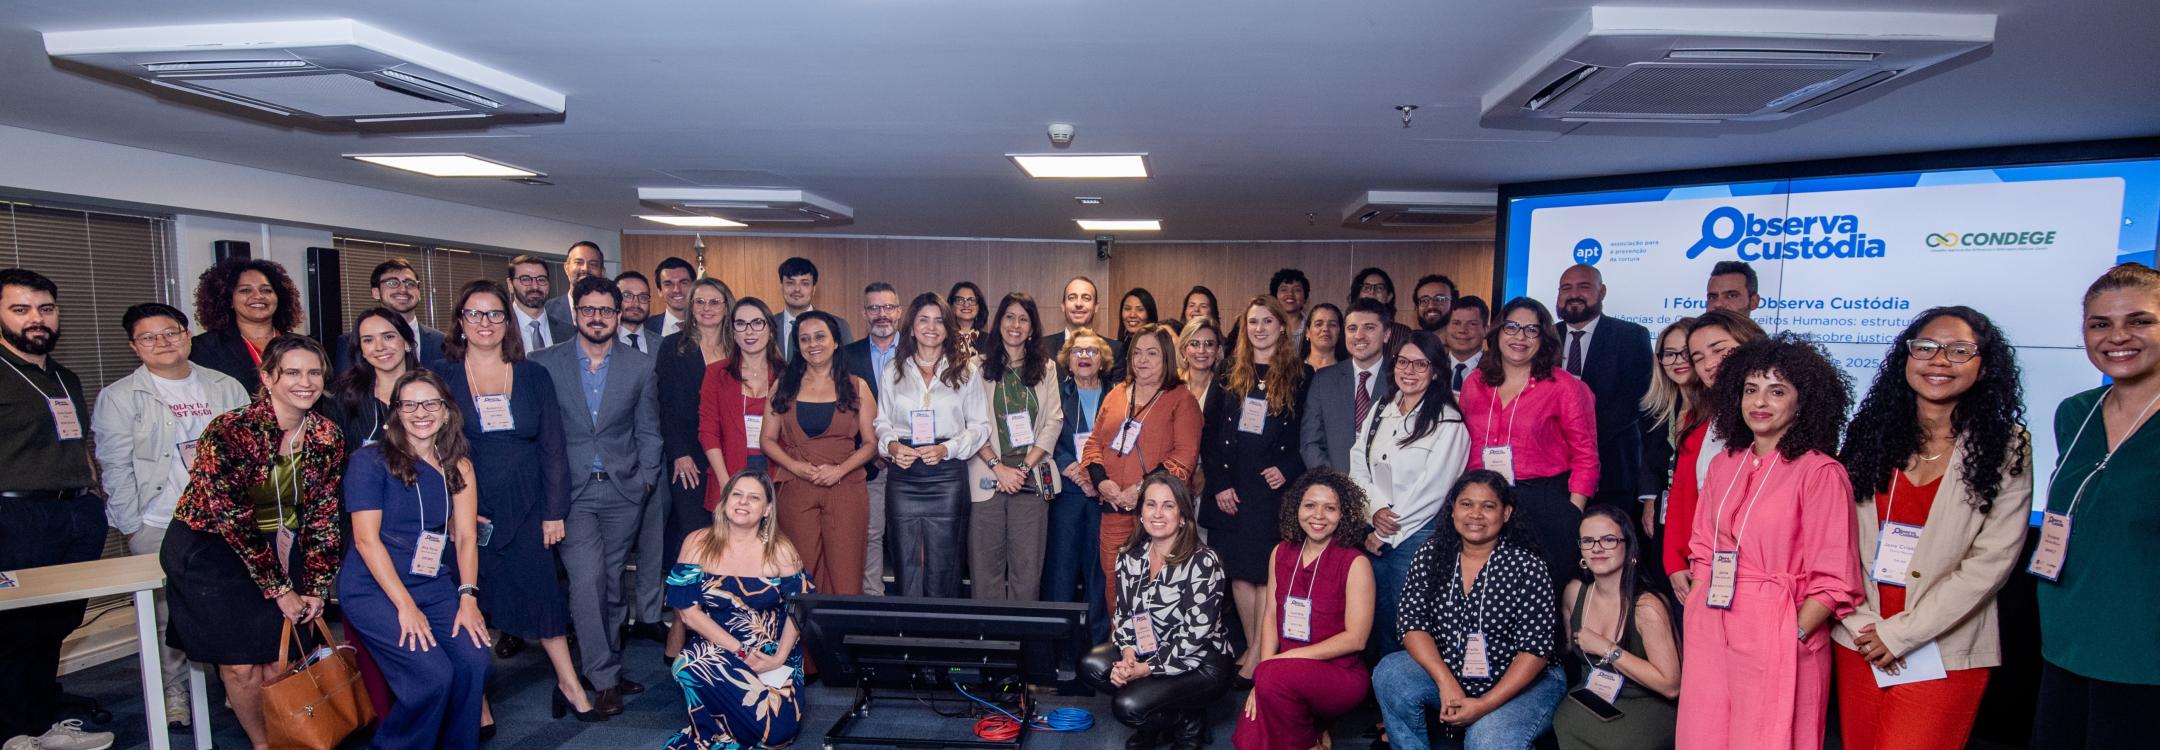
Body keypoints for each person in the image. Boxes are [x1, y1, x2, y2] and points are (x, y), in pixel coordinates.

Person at [1832, 306, 2032, 750]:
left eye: (1959, 350)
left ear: (1984, 366)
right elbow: (1833, 540)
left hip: (1944, 646)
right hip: (1860, 637)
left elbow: (1992, 561)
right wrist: (1860, 623)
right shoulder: (1869, 435)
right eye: (1925, 347)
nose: (1939, 360)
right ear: (1906, 357)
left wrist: (1900, 633)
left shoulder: (2007, 446)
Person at [1675, 333, 1861, 750]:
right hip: (1713, 624)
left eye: (1777, 391)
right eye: (1750, 389)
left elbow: (1834, 579)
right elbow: (1702, 547)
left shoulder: (1821, 472)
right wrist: (1699, 609)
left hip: (1779, 625)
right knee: (1704, 736)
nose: (1759, 402)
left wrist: (1793, 633)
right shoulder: (1723, 464)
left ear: (1802, 401)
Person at [161, 336, 345, 750]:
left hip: (280, 545)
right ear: (267, 377)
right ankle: (263, 744)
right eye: (292, 372)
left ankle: (286, 738)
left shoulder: (326, 435)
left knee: (280, 660)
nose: (305, 382)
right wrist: (280, 590)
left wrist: (317, 586)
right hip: (213, 552)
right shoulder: (230, 430)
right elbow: (233, 519)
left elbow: (324, 515)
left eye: (314, 372)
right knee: (241, 667)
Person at [436, 280, 596, 719]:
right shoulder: (442, 377)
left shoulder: (532, 375)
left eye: (494, 314)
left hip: (527, 504)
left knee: (542, 593)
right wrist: (449, 511)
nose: (484, 322)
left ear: (507, 322)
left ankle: (569, 683)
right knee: (468, 596)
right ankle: (478, 696)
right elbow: (431, 447)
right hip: (467, 503)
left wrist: (554, 511)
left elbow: (553, 447)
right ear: (461, 321)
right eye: (474, 314)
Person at [91, 302, 250, 728]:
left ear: (187, 335)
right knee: (167, 616)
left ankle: (235, 684)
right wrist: (133, 527)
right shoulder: (120, 397)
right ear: (134, 346)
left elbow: (250, 451)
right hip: (160, 523)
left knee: (232, 606)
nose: (162, 342)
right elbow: (114, 467)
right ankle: (173, 692)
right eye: (148, 337)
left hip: (225, 520)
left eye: (171, 332)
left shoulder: (225, 386)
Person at [2030, 263, 2160, 749]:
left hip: (2145, 661)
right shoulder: (2076, 412)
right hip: (2067, 644)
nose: (2117, 336)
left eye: (2140, 321)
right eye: (2100, 323)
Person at [529, 275, 663, 716]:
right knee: (586, 580)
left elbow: (648, 430)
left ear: (618, 315)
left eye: (606, 310)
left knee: (611, 584)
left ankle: (605, 665)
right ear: (575, 313)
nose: (597, 318)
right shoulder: (543, 363)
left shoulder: (639, 366)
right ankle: (604, 678)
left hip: (624, 490)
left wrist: (645, 480)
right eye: (588, 309)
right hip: (571, 493)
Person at [339, 370, 492, 749]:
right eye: (409, 405)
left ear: (446, 411)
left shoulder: (458, 465)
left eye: (430, 404)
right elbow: (366, 541)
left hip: (431, 581)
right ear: (396, 412)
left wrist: (468, 597)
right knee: (432, 677)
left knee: (474, 659)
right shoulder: (370, 461)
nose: (420, 413)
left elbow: (466, 536)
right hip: (375, 588)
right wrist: (405, 606)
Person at [0, 269, 116, 750]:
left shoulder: (64, 376)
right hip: (15, 517)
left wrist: (93, 496)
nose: (36, 319)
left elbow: (76, 441)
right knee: (12, 631)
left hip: (73, 515)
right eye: (20, 309)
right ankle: (13, 734)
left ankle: (42, 723)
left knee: (53, 626)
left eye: (45, 308)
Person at [1372, 470, 1566, 750]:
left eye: (1488, 506)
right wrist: (1446, 682)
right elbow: (1412, 624)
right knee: (1391, 673)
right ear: (1452, 510)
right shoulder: (1430, 554)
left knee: (1485, 738)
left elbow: (1534, 651)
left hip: (1524, 682)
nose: (1476, 514)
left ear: (1506, 513)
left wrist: (1484, 705)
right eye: (1466, 504)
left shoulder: (1527, 566)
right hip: (1453, 670)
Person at [1078, 471, 1233, 750]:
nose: (1158, 513)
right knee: (1091, 665)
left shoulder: (1204, 561)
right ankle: (1168, 718)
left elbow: (1194, 637)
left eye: (1168, 505)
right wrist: (1128, 656)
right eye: (1151, 505)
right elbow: (1124, 615)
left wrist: (1144, 669)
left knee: (1127, 706)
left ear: (1183, 515)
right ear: (1140, 513)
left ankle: (1186, 721)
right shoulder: (1129, 555)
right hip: (1148, 648)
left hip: (1200, 661)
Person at [1203, 296, 1310, 681]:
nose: (1259, 329)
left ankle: (1261, 654)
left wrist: (1289, 468)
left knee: (1266, 574)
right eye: (1252, 322)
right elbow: (1209, 432)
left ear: (1282, 327)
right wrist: (1219, 484)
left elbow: (1308, 435)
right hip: (1232, 488)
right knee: (1238, 573)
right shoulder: (1228, 371)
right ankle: (1253, 648)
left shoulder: (1302, 375)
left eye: (1267, 321)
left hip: (1272, 490)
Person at [1233, 469, 1376, 750]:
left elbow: (1357, 639)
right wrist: (1263, 677)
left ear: (1343, 514)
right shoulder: (1281, 552)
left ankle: (1311, 743)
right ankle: (1314, 728)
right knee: (1247, 742)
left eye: (1330, 508)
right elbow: (1271, 615)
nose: (1318, 515)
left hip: (1338, 673)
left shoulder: (1355, 562)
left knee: (1274, 682)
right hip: (1281, 673)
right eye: (1310, 505)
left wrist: (1275, 666)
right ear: (1296, 508)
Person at [1461, 297, 1599, 581]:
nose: (1520, 337)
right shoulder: (1475, 382)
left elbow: (1586, 456)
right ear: (1498, 331)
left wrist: (1571, 514)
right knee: (1486, 588)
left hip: (1544, 503)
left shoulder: (1564, 386)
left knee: (1541, 592)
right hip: (1483, 502)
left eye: (1531, 330)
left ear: (1543, 337)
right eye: (1511, 327)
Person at [1350, 331, 1469, 655]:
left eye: (1420, 364)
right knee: (1374, 620)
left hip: (1418, 536)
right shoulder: (1381, 408)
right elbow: (1358, 462)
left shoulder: (1448, 421)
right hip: (1373, 529)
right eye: (1403, 362)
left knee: (1410, 624)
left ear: (1436, 371)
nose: (1409, 371)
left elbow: (1434, 489)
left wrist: (1386, 531)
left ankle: (1405, 683)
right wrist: (1374, 511)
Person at [873, 292, 989, 598]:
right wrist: (892, 447)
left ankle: (943, 626)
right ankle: (908, 625)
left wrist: (946, 449)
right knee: (906, 561)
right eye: (923, 320)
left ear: (948, 329)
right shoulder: (893, 370)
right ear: (911, 327)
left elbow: (980, 426)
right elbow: (881, 422)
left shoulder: (966, 371)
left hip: (947, 474)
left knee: (944, 564)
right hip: (904, 473)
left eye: (939, 321)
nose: (931, 327)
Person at [1082, 323, 1203, 612]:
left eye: (1152, 353)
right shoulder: (1117, 394)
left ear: (1166, 358)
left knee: (1156, 592)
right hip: (1113, 509)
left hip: (1159, 517)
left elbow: (1183, 458)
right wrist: (1102, 482)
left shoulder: (1182, 400)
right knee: (1116, 588)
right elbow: (1094, 443)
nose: (1142, 360)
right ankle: (1120, 640)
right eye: (1137, 353)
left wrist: (1140, 490)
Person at [764, 311, 878, 596]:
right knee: (798, 569)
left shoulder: (857, 386)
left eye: (819, 337)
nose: (812, 344)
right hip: (796, 486)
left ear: (836, 341)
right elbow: (767, 439)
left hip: (845, 487)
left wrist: (839, 470)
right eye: (804, 339)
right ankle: (800, 627)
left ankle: (840, 626)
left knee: (846, 569)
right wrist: (795, 466)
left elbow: (870, 444)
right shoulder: (783, 384)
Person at [1553, 506, 1682, 750]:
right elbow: (1564, 648)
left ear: (1628, 545)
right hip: (1591, 698)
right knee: (1563, 722)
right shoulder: (1575, 592)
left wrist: (1607, 648)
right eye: (1588, 541)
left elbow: (1671, 686)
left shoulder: (1647, 606)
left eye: (1609, 539)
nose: (1597, 548)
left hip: (1643, 705)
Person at [1662, 310, 1766, 599]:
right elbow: (1681, 493)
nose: (1709, 364)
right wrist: (1674, 560)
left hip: (1763, 573)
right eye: (1698, 357)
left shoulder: (1779, 420)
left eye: (1719, 350)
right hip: (1705, 565)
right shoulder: (1698, 420)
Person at [966, 293, 1065, 600]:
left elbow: (1054, 422)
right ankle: (988, 633)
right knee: (985, 572)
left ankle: (1022, 632)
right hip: (987, 478)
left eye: (1024, 319)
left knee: (1027, 573)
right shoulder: (976, 367)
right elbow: (970, 424)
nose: (1016, 325)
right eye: (1009, 317)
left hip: (1030, 479)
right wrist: (999, 468)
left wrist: (1021, 469)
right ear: (999, 323)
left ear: (1032, 328)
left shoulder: (1046, 368)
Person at [657, 277, 733, 661]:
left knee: (728, 542)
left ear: (726, 306)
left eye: (714, 302)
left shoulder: (738, 346)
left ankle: (720, 627)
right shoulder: (674, 347)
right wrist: (679, 453)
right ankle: (680, 623)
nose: (706, 308)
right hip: (689, 461)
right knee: (694, 543)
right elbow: (665, 405)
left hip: (730, 456)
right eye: (699, 302)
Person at [1555, 264, 1655, 528]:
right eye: (1566, 288)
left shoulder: (1631, 336)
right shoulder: (1546, 337)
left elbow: (1632, 401)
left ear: (1602, 292)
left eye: (1584, 287)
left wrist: (1578, 440)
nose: (1573, 294)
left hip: (1612, 468)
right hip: (1554, 473)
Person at [1047, 328, 1115, 641]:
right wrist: (1075, 472)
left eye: (1092, 351)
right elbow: (1049, 437)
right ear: (1068, 360)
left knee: (1099, 574)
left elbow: (1121, 442)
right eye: (1078, 351)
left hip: (1104, 496)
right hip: (1068, 494)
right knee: (1061, 573)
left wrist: (1096, 478)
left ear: (1102, 360)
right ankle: (1059, 648)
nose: (1084, 356)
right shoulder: (1057, 393)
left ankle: (1097, 646)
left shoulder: (1117, 395)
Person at [844, 282, 902, 595]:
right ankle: (873, 602)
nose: (882, 314)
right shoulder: (846, 356)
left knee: (911, 539)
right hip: (868, 463)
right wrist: (872, 448)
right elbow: (842, 410)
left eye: (888, 307)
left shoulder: (918, 352)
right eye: (874, 308)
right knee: (870, 536)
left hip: (912, 461)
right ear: (864, 313)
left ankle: (912, 605)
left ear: (899, 311)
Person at [190, 257, 305, 395]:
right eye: (245, 290)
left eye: (266, 290)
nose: (258, 296)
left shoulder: (304, 345)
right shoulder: (203, 348)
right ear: (228, 300)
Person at [1302, 298, 1393, 472]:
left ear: (1387, 334)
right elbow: (1310, 442)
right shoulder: (1324, 379)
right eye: (1352, 328)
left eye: (1369, 328)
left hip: (1386, 485)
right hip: (1333, 482)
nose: (1359, 335)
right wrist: (1331, 482)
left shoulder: (1400, 378)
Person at [700, 297, 784, 484]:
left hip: (777, 474)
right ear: (733, 332)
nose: (749, 331)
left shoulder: (787, 375)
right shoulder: (716, 373)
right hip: (728, 472)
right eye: (740, 324)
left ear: (770, 330)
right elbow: (708, 431)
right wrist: (725, 481)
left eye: (757, 323)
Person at [1637, 318, 1699, 554]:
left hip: (1702, 518)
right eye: (1670, 354)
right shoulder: (1659, 409)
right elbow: (1649, 459)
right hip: (1665, 515)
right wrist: (1650, 499)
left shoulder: (1718, 411)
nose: (1678, 361)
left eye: (1686, 353)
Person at [332, 258, 446, 371]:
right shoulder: (349, 342)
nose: (403, 289)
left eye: (410, 284)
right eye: (392, 283)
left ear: (419, 293)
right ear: (376, 293)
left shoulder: (442, 341)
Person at [329, 308, 417, 450]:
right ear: (362, 350)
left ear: (407, 342)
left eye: (388, 337)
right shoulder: (344, 397)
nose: (380, 347)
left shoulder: (432, 391)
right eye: (368, 340)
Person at [1042, 276, 1124, 381]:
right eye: (1072, 298)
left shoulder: (1114, 350)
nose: (1079, 304)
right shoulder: (1042, 348)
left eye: (1086, 298)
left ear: (1096, 307)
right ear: (1063, 306)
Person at [775, 257, 850, 360]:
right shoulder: (768, 326)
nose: (797, 289)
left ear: (814, 289)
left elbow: (848, 364)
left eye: (804, 283)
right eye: (790, 283)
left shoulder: (838, 325)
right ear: (781, 287)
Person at [508, 254, 573, 353]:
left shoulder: (569, 332)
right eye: (525, 279)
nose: (535, 286)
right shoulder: (499, 329)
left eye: (541, 279)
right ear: (510, 285)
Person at [544, 241, 608, 337]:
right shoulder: (546, 310)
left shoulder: (611, 312)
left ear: (602, 272)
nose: (585, 268)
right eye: (578, 262)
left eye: (593, 264)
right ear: (566, 268)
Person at [1442, 295, 1488, 393]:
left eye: (1472, 324)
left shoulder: (1497, 369)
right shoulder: (1433, 366)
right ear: (1446, 328)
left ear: (1486, 330)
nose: (1462, 330)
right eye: (1456, 323)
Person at [646, 256, 699, 339]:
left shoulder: (712, 325)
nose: (677, 290)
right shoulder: (645, 327)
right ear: (660, 291)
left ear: (695, 287)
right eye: (668, 284)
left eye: (683, 283)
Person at [614, 271, 657, 353]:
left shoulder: (661, 344)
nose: (636, 303)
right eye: (627, 295)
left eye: (643, 297)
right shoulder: (602, 342)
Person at [1302, 302, 1348, 371]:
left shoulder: (1349, 371)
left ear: (1340, 332)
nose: (1325, 329)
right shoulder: (1292, 370)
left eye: (1332, 325)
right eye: (1318, 324)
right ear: (1307, 332)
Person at [946, 281, 987, 357]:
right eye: (960, 300)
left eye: (971, 300)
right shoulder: (943, 339)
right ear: (951, 306)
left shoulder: (991, 341)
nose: (966, 304)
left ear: (979, 306)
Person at [1270, 268, 1311, 345]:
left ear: (1305, 297)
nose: (1290, 294)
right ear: (1275, 296)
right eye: (1284, 290)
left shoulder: (1313, 327)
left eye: (1297, 290)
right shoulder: (1267, 327)